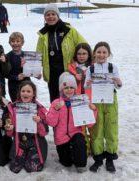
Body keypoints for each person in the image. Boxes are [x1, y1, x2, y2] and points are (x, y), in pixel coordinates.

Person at [46, 72, 96, 173]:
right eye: (66, 88)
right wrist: (56, 110)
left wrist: (93, 110)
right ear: (61, 89)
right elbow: (51, 123)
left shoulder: (80, 102)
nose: (69, 90)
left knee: (80, 141)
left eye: (71, 87)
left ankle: (81, 164)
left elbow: (89, 124)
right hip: (61, 138)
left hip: (75, 134)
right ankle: (68, 155)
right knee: (66, 162)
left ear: (75, 88)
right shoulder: (56, 103)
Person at [36, 4, 86, 103]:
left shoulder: (69, 30)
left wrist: (89, 61)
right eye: (48, 15)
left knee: (70, 99)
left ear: (58, 15)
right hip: (52, 73)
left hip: (69, 71)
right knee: (55, 100)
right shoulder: (43, 34)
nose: (50, 17)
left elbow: (83, 45)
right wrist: (35, 69)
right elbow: (38, 55)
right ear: (45, 17)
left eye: (53, 14)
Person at [84, 42, 122, 173]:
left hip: (111, 101)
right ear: (94, 54)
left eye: (104, 52)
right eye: (98, 52)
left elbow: (118, 86)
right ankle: (98, 158)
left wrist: (118, 82)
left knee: (111, 128)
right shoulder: (91, 69)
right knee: (97, 129)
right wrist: (88, 83)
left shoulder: (112, 67)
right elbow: (86, 87)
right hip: (96, 102)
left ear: (108, 54)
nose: (101, 54)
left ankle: (110, 158)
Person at [6, 81, 48, 173]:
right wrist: (10, 128)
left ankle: (30, 155)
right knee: (14, 168)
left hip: (35, 143)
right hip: (19, 142)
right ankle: (23, 155)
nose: (25, 93)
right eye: (23, 91)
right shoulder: (14, 108)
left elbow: (44, 132)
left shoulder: (39, 108)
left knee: (32, 167)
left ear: (33, 94)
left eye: (28, 91)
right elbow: (9, 134)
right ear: (19, 93)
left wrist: (39, 121)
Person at [68, 43, 94, 155]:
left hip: (90, 100)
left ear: (89, 54)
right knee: (81, 127)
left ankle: (94, 147)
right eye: (79, 54)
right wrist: (74, 78)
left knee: (92, 126)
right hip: (77, 101)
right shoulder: (71, 67)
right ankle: (85, 148)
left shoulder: (93, 67)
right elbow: (66, 84)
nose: (81, 56)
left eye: (84, 53)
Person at [6, 32, 30, 102]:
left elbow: (32, 70)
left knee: (28, 103)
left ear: (22, 43)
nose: (15, 43)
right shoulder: (7, 56)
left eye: (18, 41)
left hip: (27, 83)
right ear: (9, 43)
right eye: (13, 41)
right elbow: (5, 74)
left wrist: (36, 74)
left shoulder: (28, 56)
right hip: (13, 85)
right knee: (16, 104)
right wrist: (16, 77)